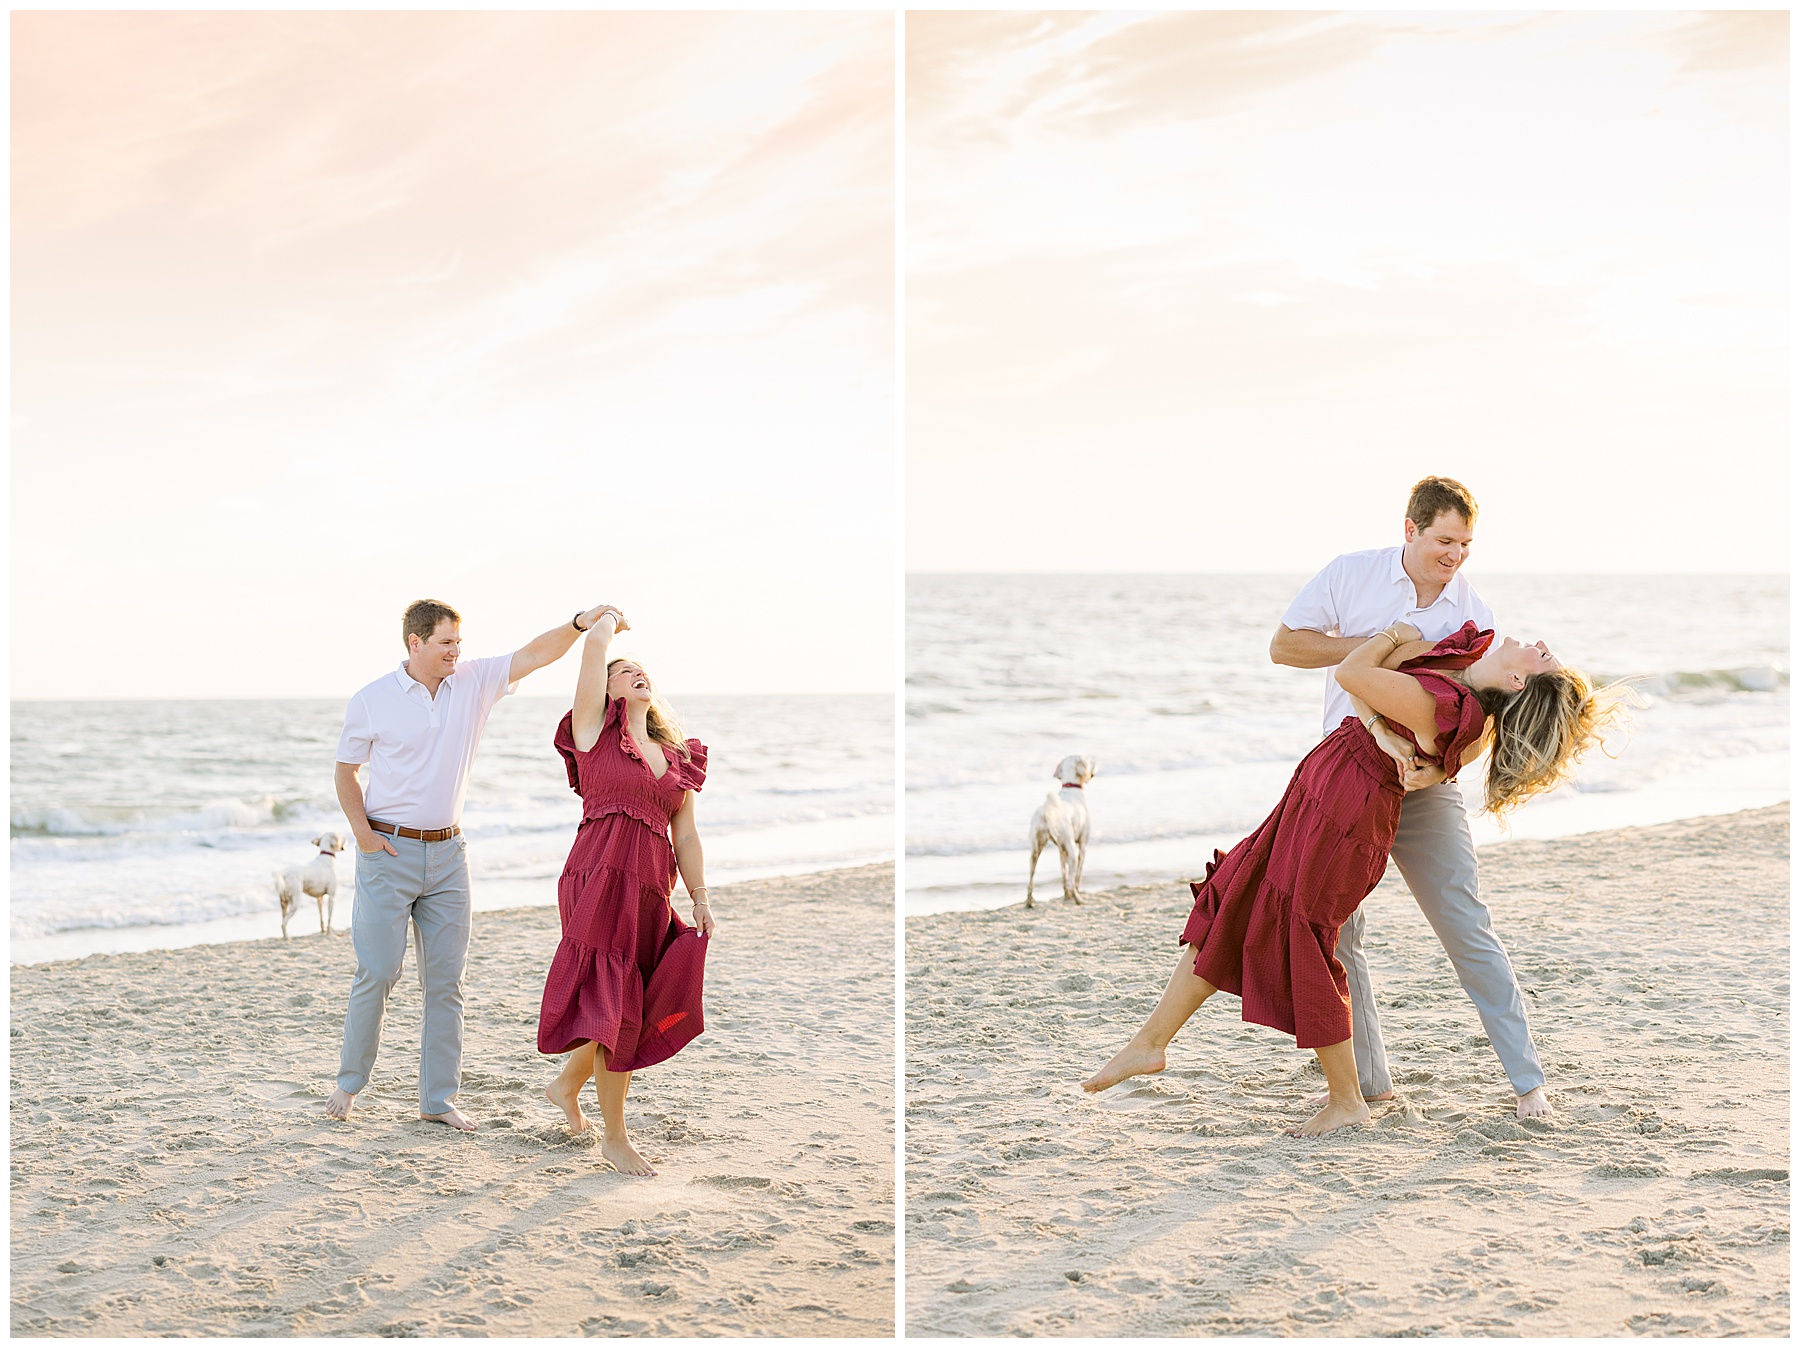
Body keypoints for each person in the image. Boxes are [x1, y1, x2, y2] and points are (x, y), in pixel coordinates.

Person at [1081, 618, 1628, 1136]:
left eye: (1543, 654)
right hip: (1328, 793)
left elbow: (1351, 675)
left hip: (1344, 810)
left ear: (1516, 680)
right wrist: (1382, 707)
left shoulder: (1445, 703)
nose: (1536, 641)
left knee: (1311, 938)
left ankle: (1347, 1102)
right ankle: (1152, 1041)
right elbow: (1375, 682)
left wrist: (1391, 636)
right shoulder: (1465, 695)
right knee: (1236, 896)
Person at [1268, 476, 1557, 1120]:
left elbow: (1487, 712)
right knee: (1340, 933)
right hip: (1346, 782)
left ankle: (1528, 1085)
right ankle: (1369, 1084)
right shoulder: (1351, 575)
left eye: (1465, 544)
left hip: (1427, 788)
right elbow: (1285, 647)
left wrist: (1435, 772)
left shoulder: (1473, 610)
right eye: (1444, 540)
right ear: (1411, 530)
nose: (1454, 555)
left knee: (1466, 924)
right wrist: (1388, 649)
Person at [327, 598, 615, 1132]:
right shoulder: (372, 700)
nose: (456, 652)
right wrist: (365, 840)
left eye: (458, 642)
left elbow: (534, 654)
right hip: (388, 854)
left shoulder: (475, 682)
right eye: (445, 643)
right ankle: (349, 1084)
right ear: (415, 644)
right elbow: (345, 774)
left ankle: (437, 1100)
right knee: (379, 971)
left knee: (446, 982)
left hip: (449, 857)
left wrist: (579, 625)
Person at [538, 607, 713, 1177]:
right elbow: (591, 658)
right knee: (617, 1002)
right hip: (597, 875)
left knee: (621, 1002)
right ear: (607, 690)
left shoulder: (680, 756)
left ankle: (567, 1086)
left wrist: (700, 896)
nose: (636, 674)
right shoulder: (592, 733)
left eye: (642, 670)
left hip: (649, 888)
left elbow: (684, 833)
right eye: (623, 672)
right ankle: (615, 1136)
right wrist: (605, 624)